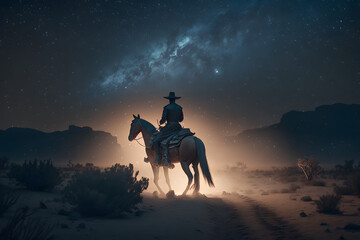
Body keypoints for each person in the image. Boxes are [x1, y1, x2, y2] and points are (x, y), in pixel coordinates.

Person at [153, 92, 183, 168]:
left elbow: (163, 120)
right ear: (175, 100)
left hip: (169, 127)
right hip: (178, 127)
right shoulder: (179, 108)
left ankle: (159, 159)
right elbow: (181, 119)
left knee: (156, 141)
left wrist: (161, 121)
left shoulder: (166, 108)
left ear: (169, 100)